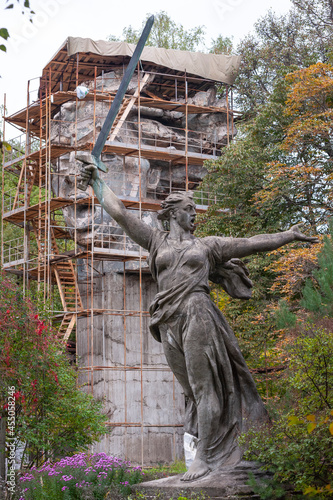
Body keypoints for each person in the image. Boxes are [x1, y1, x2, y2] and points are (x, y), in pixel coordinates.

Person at [78, 156, 318, 481]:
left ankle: (204, 459)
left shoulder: (208, 246)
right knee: (191, 391)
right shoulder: (155, 240)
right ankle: (216, 449)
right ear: (173, 212)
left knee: (204, 387)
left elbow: (250, 244)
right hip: (167, 321)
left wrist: (288, 235)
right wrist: (96, 183)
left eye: (194, 210)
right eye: (189, 209)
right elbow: (120, 214)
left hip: (197, 311)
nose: (194, 214)